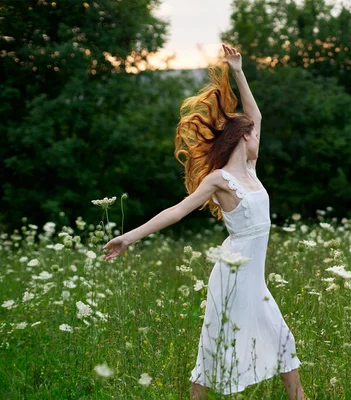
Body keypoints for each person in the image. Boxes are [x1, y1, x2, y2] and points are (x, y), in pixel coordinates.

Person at [102, 44, 307, 400]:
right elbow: (177, 211)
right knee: (217, 345)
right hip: (232, 274)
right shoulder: (219, 180)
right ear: (244, 138)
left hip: (252, 277)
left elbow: (255, 115)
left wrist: (239, 71)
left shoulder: (251, 172)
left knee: (281, 338)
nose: (258, 135)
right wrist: (128, 237)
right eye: (254, 133)